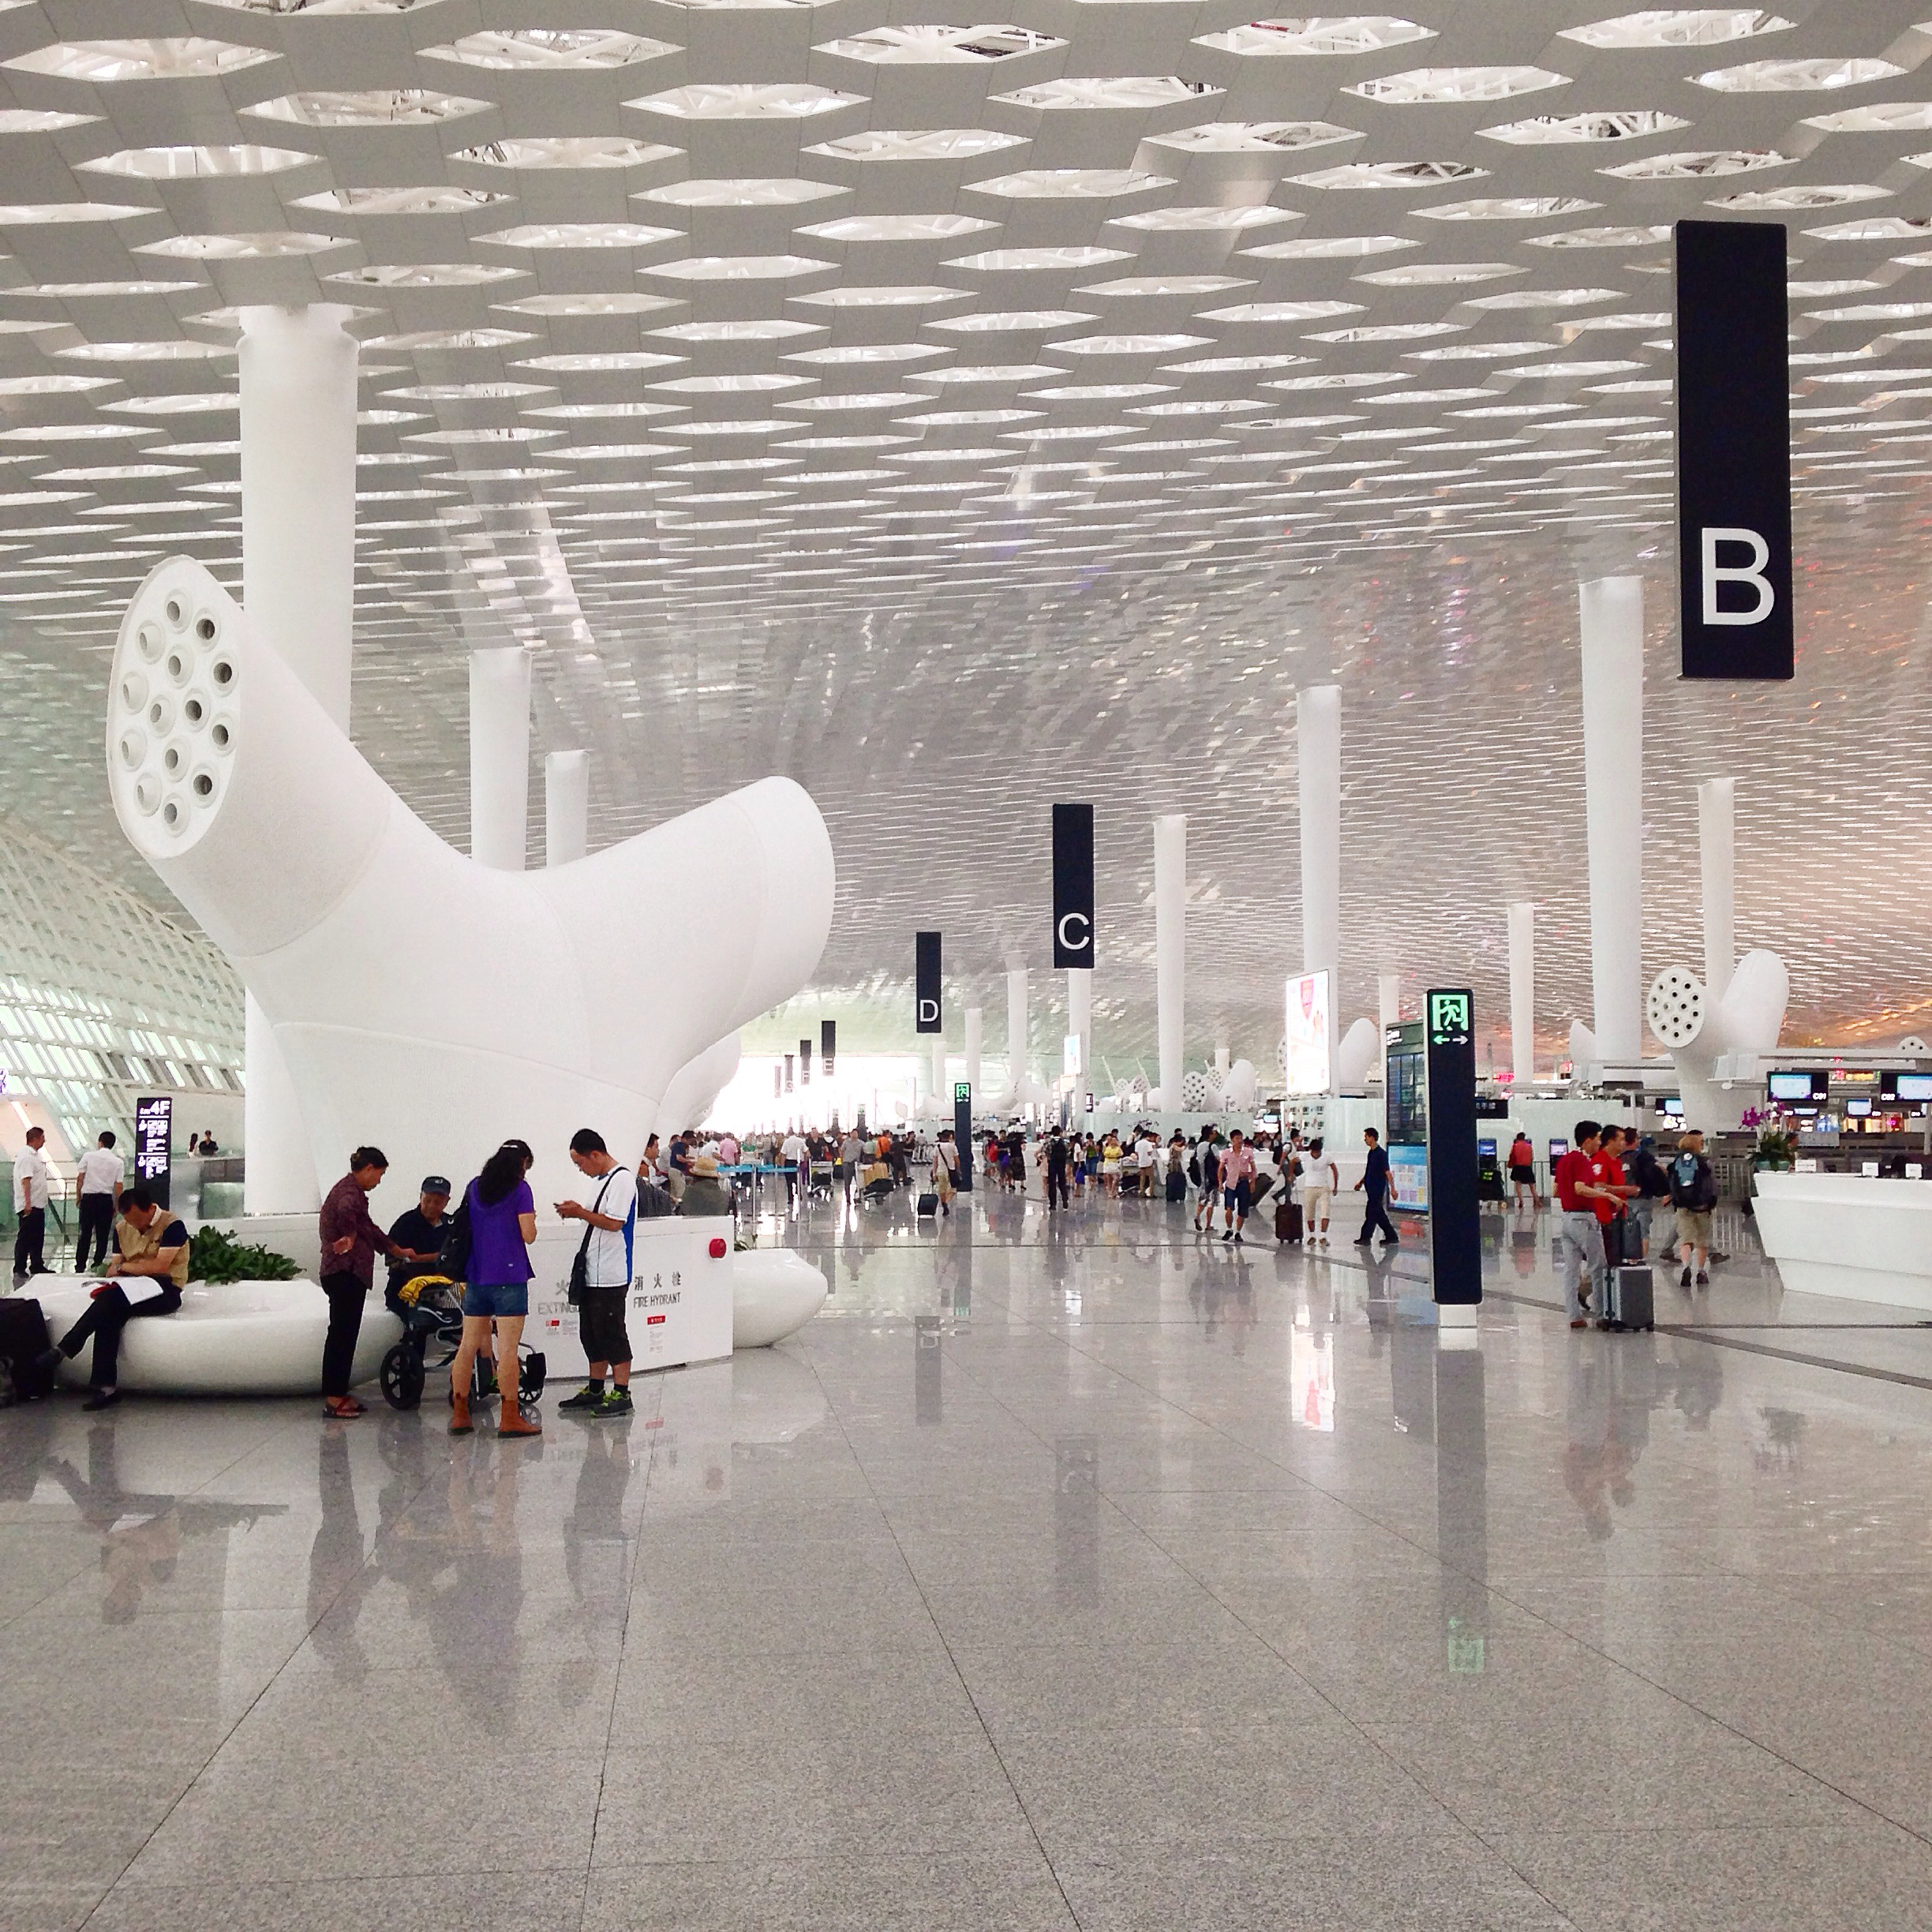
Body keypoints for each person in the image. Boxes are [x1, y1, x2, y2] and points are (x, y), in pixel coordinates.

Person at [37, 1185, 189, 1411]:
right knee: (109, 1311)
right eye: (129, 1221)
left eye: (137, 1220)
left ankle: (68, 1348)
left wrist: (126, 1267)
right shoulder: (122, 1228)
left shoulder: (172, 1225)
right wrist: (129, 1268)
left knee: (109, 1302)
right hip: (129, 1288)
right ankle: (105, 1388)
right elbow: (111, 1270)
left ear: (150, 1209)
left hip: (165, 1289)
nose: (134, 1227)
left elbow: (161, 1266)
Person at [451, 1139, 541, 1438]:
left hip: (476, 1276)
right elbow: (528, 1235)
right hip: (510, 1277)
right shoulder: (520, 1190)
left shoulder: (474, 1187)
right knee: (507, 1351)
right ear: (522, 1163)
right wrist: (533, 1221)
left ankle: (461, 1414)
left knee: (466, 1347)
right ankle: (509, 1417)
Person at [316, 1147, 407, 1420]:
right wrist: (350, 1234)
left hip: (344, 1274)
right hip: (344, 1273)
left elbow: (367, 1228)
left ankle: (338, 1393)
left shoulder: (350, 1192)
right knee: (342, 1337)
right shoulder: (349, 1195)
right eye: (379, 1174)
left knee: (344, 1335)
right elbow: (357, 1222)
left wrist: (393, 1247)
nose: (378, 1181)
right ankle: (333, 1398)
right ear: (368, 1168)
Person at [556, 1128, 639, 1419]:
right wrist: (577, 1211)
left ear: (595, 1154)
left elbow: (615, 1223)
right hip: (593, 1270)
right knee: (590, 1333)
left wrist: (579, 1212)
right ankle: (595, 1388)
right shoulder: (600, 1181)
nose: (581, 1170)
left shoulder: (623, 1180)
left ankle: (622, 1392)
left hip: (612, 1272)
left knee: (612, 1332)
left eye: (581, 1163)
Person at [1554, 1120, 1616, 1328]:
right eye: (1598, 1139)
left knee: (1571, 1270)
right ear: (1588, 1140)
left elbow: (1556, 1190)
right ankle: (1600, 1315)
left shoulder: (1564, 1160)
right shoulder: (1581, 1161)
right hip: (1584, 1219)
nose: (1600, 1143)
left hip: (1566, 1220)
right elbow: (1580, 1188)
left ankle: (1574, 1316)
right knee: (1598, 1265)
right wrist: (1606, 1195)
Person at [384, 1175, 451, 1318]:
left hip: (446, 1292)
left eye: (438, 1202)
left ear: (447, 1202)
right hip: (405, 1293)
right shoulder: (405, 1223)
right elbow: (393, 1261)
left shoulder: (452, 1225)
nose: (432, 1206)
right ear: (420, 1196)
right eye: (427, 1201)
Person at [1669, 1128, 1719, 1288]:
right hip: (1702, 1207)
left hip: (1683, 1207)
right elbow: (1712, 1185)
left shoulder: (1675, 1163)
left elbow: (1670, 1184)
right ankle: (1701, 1271)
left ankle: (1686, 1266)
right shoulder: (1705, 1163)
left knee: (1685, 1239)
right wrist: (1712, 1202)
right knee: (1701, 1241)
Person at [73, 1129, 124, 1275]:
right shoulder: (118, 1162)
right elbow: (119, 1185)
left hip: (88, 1199)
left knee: (85, 1234)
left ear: (100, 1143)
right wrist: (117, 1205)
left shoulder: (88, 1156)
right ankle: (97, 1264)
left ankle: (80, 1265)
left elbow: (80, 1178)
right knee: (102, 1235)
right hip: (105, 1200)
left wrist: (78, 1197)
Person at [12, 1124, 53, 1282]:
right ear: (35, 1139)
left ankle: (37, 1264)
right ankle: (19, 1267)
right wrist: (27, 1203)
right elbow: (26, 1180)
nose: (44, 1141)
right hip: (30, 1205)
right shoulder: (27, 1156)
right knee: (25, 1237)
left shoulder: (34, 1155)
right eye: (42, 1138)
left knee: (37, 1237)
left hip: (38, 1204)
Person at [1354, 1127, 1399, 1249]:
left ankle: (1370, 1237)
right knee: (1375, 1214)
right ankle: (1385, 1236)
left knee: (1373, 1213)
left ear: (1372, 1137)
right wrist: (1361, 1182)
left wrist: (1393, 1189)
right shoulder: (1371, 1153)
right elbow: (1369, 1171)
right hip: (1371, 1188)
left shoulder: (1381, 1154)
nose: (1365, 1140)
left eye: (1366, 1137)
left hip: (1377, 1189)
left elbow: (1387, 1172)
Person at [1218, 1128, 1256, 1244]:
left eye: (1241, 1138)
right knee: (1229, 1208)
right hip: (1231, 1183)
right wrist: (1220, 1183)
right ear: (1232, 1140)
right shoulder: (1226, 1153)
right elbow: (1221, 1169)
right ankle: (1229, 1229)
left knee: (1242, 1210)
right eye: (1237, 1138)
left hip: (1243, 1183)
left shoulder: (1248, 1152)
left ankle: (1238, 1232)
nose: (1240, 1141)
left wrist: (1252, 1181)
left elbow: (1253, 1168)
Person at [1301, 1137, 1337, 1245]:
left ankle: (1323, 1236)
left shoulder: (1327, 1157)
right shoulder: (1305, 1156)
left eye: (1318, 1152)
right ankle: (1312, 1236)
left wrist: (1335, 1186)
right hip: (1310, 1187)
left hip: (1323, 1187)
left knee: (1325, 1212)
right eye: (1314, 1152)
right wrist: (1291, 1174)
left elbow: (1334, 1170)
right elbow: (1293, 1161)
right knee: (1309, 1213)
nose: (1316, 1154)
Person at [1193, 1129, 1221, 1234]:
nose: (1216, 1135)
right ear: (1209, 1135)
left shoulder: (1199, 1146)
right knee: (1211, 1203)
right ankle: (1208, 1225)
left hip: (1202, 1177)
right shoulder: (1213, 1147)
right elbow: (1219, 1160)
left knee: (1203, 1199)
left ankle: (1197, 1216)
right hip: (1212, 1178)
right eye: (1214, 1133)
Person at [932, 1129, 960, 1216]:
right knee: (953, 1190)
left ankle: (944, 1204)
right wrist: (958, 1170)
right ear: (950, 1136)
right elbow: (957, 1161)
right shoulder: (953, 1146)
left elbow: (935, 1161)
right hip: (951, 1171)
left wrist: (934, 1173)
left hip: (940, 1171)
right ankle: (946, 1203)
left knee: (942, 1190)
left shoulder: (937, 1146)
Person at [1507, 1130, 1536, 1209]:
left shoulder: (1515, 1146)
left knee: (1518, 1185)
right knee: (1532, 1186)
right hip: (1527, 1167)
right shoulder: (1529, 1146)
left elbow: (1512, 1156)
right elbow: (1532, 1158)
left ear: (1517, 1138)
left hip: (1518, 1167)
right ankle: (1536, 1200)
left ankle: (1521, 1201)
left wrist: (1510, 1165)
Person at [1044, 1127, 1070, 1209]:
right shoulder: (1065, 1143)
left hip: (1052, 1163)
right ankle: (1065, 1200)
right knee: (1062, 1182)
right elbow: (1068, 1153)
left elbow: (1045, 1151)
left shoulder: (1049, 1142)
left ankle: (1053, 1204)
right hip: (1061, 1164)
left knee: (1052, 1183)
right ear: (1060, 1132)